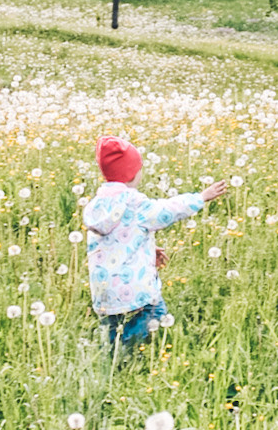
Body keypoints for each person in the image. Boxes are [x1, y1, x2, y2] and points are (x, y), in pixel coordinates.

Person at [84, 136, 230, 352]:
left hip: (105, 293)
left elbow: (113, 243)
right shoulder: (134, 203)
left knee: (115, 336)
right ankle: (146, 358)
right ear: (132, 173)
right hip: (137, 293)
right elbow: (166, 210)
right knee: (157, 323)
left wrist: (147, 249)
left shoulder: (97, 206)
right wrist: (200, 198)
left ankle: (115, 360)